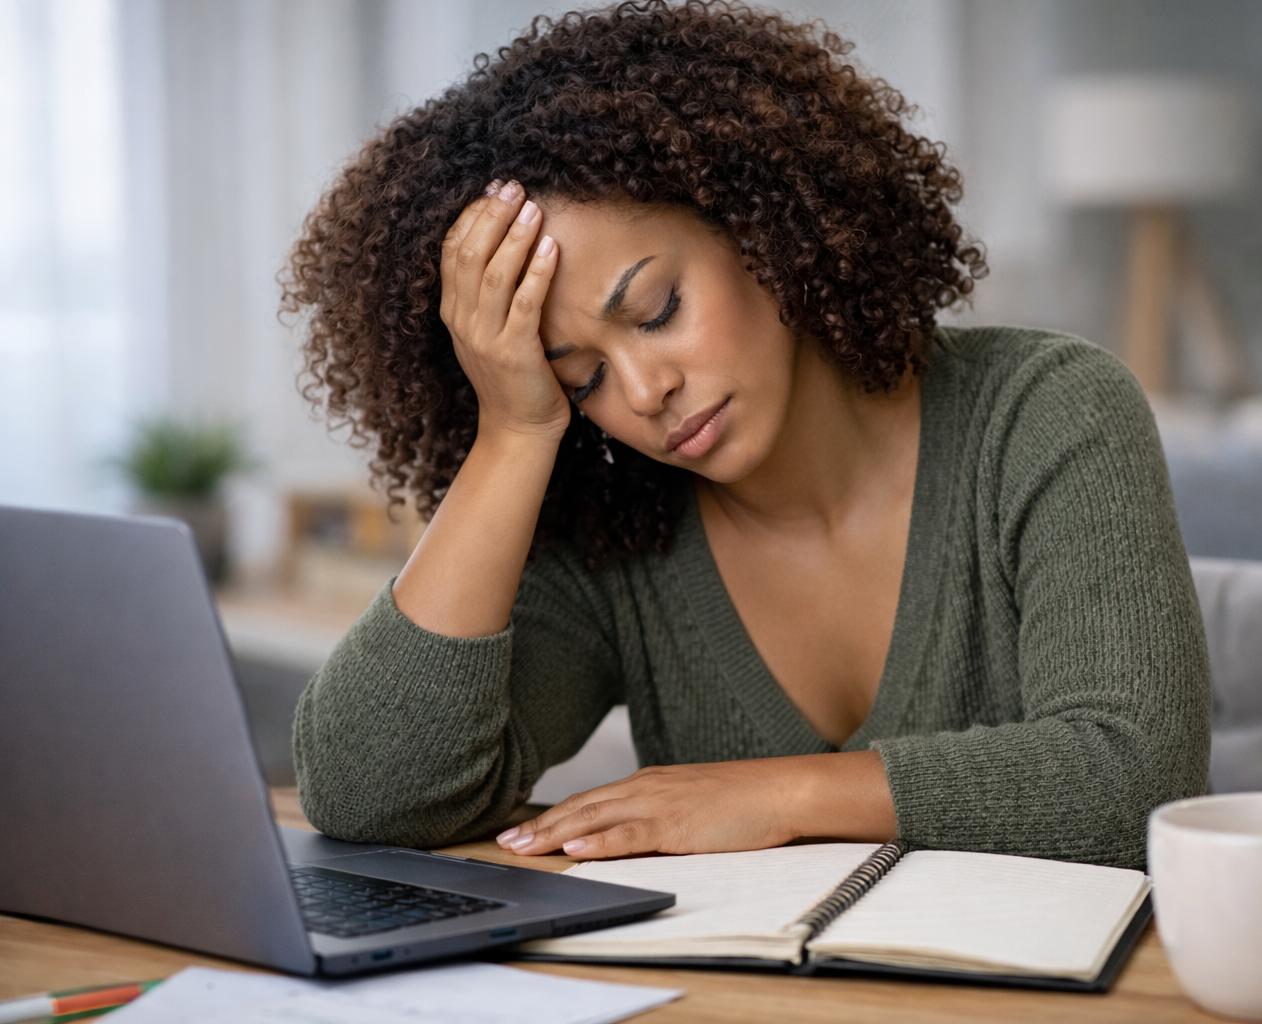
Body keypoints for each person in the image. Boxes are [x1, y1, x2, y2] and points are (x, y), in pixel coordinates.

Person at [282, 0, 1209, 869]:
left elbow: (1135, 781)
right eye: (583, 377)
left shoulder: (1047, 412)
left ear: (764, 222)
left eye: (656, 309)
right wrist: (516, 430)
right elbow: (371, 797)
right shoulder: (619, 530)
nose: (647, 393)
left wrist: (782, 795)